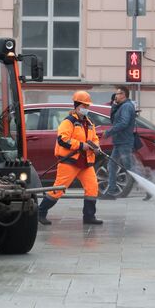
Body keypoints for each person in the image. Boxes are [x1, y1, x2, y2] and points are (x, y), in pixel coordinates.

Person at [37, 91, 103, 225]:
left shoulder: (89, 122)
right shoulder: (69, 122)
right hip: (70, 161)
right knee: (59, 189)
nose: (87, 109)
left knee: (92, 187)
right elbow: (62, 139)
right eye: (85, 106)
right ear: (77, 106)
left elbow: (94, 138)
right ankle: (40, 212)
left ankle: (89, 217)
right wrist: (80, 145)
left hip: (86, 162)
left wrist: (96, 147)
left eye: (88, 106)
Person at [100, 86, 137, 200]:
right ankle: (112, 191)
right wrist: (115, 105)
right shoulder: (121, 106)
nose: (116, 95)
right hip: (120, 141)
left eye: (118, 93)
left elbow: (123, 123)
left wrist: (109, 132)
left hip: (124, 142)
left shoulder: (126, 106)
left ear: (124, 95)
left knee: (129, 167)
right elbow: (113, 120)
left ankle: (150, 184)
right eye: (115, 94)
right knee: (112, 164)